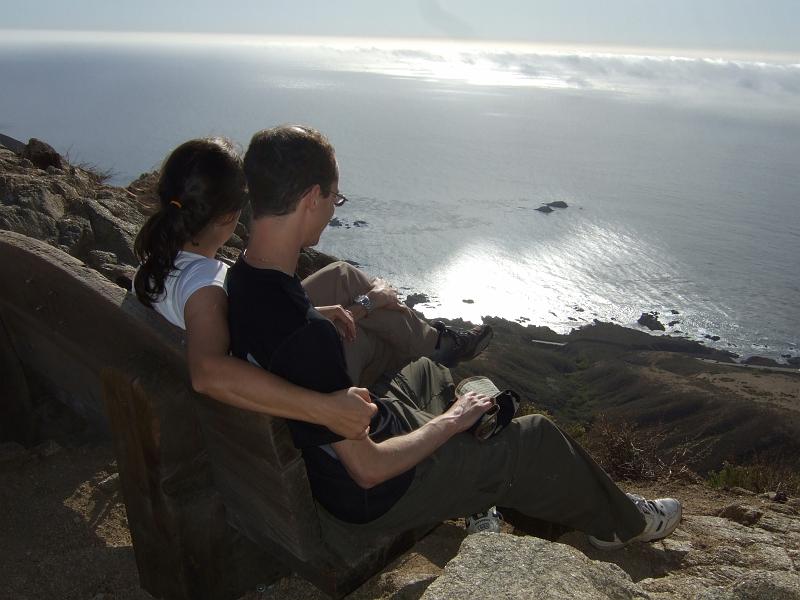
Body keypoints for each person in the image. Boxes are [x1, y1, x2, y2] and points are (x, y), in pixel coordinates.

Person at [226, 124, 682, 550]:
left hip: (351, 441)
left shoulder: (241, 281)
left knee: (428, 369)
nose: (332, 210)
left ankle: (483, 480)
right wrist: (450, 423)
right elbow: (368, 470)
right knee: (535, 436)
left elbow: (290, 349)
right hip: (377, 491)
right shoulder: (307, 336)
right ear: (311, 197)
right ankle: (622, 524)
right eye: (335, 199)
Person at [132, 137, 491, 442]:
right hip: (278, 408)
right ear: (229, 215)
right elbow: (208, 371)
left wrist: (330, 311)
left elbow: (251, 324)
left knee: (342, 276)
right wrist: (361, 311)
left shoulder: (155, 264)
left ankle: (433, 347)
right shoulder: (206, 290)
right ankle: (430, 376)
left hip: (262, 353)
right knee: (376, 337)